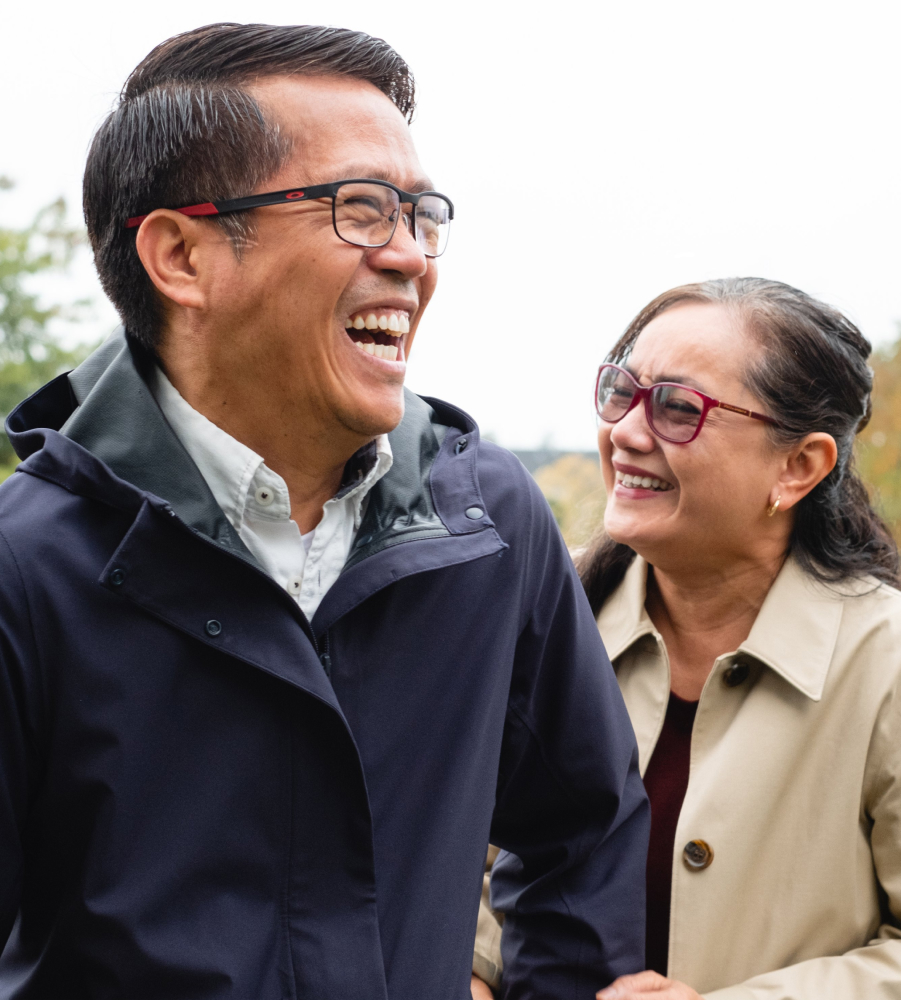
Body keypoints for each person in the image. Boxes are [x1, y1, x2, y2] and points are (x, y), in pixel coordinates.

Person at [0, 23, 650, 999]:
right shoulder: (28, 570)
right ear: (180, 255)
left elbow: (583, 826)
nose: (410, 257)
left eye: (421, 214)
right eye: (358, 209)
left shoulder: (487, 523)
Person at [471, 278, 901, 1000]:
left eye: (678, 409)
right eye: (622, 391)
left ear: (799, 467)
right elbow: (472, 876)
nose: (626, 431)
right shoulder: (548, 627)